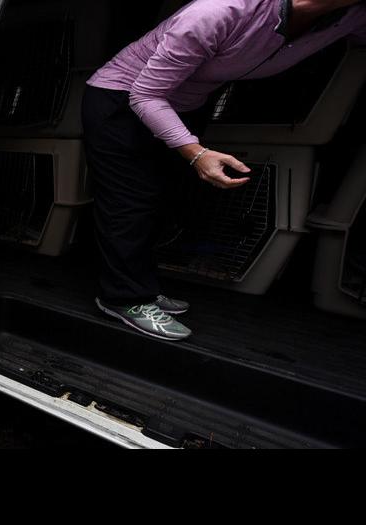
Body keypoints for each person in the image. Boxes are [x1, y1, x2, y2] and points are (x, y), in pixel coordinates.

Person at [82, 0, 366, 341]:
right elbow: (145, 94)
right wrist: (197, 153)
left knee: (161, 201)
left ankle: (140, 285)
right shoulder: (217, 11)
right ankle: (123, 298)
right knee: (131, 202)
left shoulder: (350, 16)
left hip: (185, 104)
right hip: (122, 98)